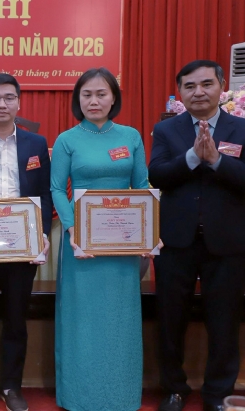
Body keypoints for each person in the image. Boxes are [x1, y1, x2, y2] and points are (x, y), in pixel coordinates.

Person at [50, 67, 150, 411]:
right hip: (81, 244)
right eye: (87, 94)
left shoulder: (130, 136)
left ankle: (121, 396)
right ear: (78, 99)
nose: (94, 100)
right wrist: (72, 228)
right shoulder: (67, 140)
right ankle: (78, 396)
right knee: (82, 321)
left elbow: (142, 187)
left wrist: (148, 234)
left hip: (122, 245)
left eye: (101, 93)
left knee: (119, 321)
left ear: (113, 98)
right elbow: (56, 189)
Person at [149, 60, 245, 411]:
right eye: (189, 86)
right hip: (176, 241)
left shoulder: (241, 128)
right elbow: (157, 175)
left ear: (221, 86)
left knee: (224, 322)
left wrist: (217, 160)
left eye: (206, 84)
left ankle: (217, 394)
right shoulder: (166, 130)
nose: (198, 92)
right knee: (170, 320)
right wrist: (192, 156)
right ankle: (174, 389)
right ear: (180, 93)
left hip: (228, 242)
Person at [0, 73, 52, 411]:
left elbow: (44, 193)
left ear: (19, 102)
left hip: (22, 246)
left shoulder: (36, 143)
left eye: (8, 97)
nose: (1, 104)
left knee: (16, 319)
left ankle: (11, 385)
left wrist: (41, 235)